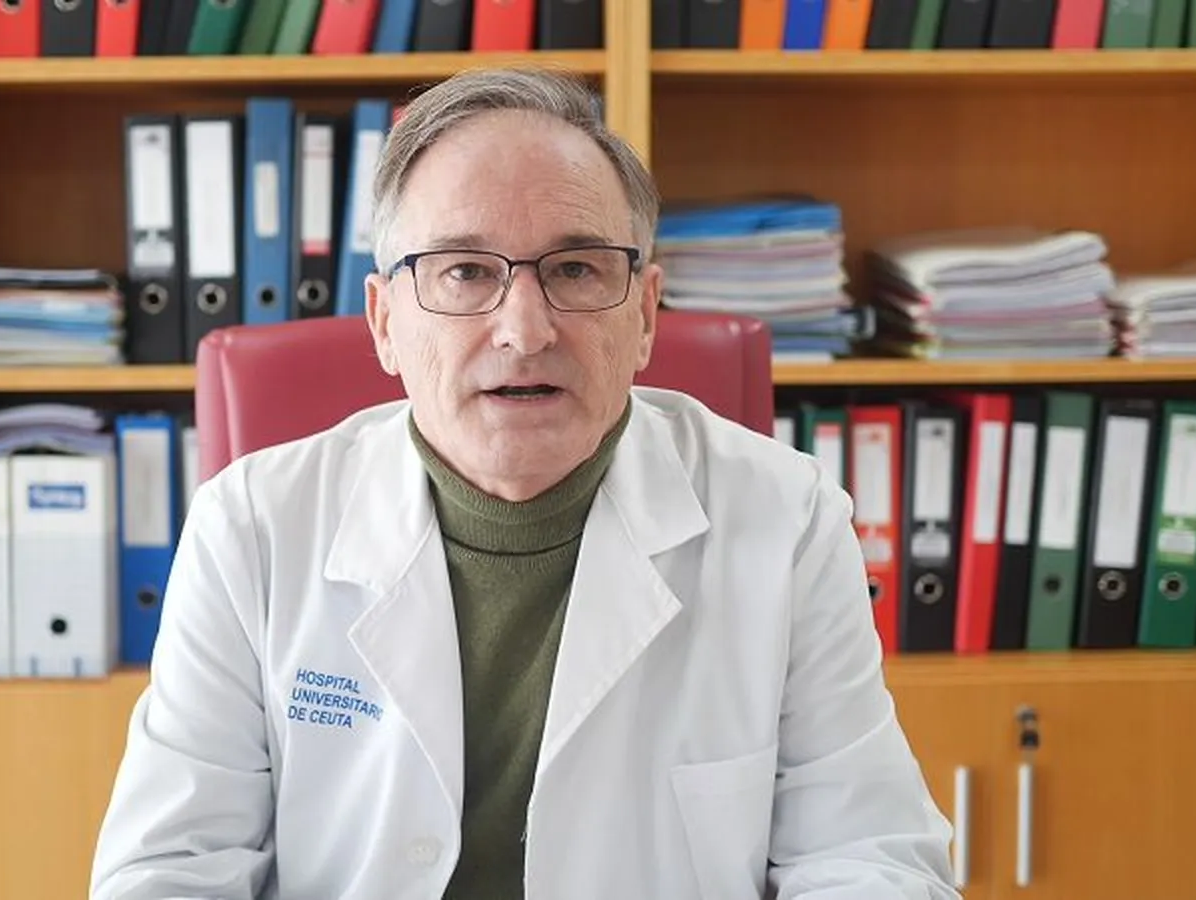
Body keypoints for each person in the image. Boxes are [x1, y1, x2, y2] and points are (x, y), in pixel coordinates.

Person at [89, 66, 958, 900]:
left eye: (576, 269)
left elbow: (867, 856)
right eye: (466, 271)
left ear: (645, 313)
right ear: (385, 323)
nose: (525, 329)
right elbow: (168, 872)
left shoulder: (787, 520)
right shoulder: (251, 527)